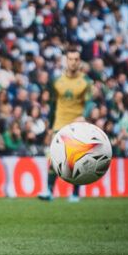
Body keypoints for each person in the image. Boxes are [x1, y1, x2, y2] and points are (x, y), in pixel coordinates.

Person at [38, 47, 92, 203]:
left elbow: (89, 102)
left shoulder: (85, 82)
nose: (73, 62)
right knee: (55, 157)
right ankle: (49, 191)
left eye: (76, 59)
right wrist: (49, 127)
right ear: (66, 60)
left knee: (75, 159)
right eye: (70, 59)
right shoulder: (56, 81)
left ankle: (75, 193)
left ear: (79, 61)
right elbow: (53, 104)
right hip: (59, 124)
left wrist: (84, 116)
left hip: (78, 124)